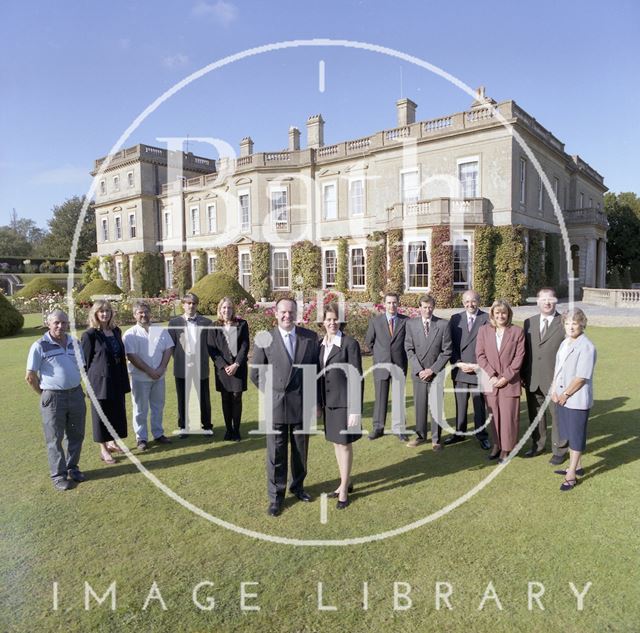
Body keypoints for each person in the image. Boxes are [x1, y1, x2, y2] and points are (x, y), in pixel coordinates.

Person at [250, 297, 320, 517]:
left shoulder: (310, 337)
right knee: (276, 452)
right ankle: (276, 497)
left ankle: (297, 487)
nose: (287, 316)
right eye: (283, 312)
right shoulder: (265, 338)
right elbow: (255, 373)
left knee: (300, 450)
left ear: (296, 313)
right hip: (277, 405)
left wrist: (316, 401)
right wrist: (272, 393)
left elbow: (316, 373)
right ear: (275, 313)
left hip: (302, 403)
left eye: (291, 312)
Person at [25, 309, 87, 490]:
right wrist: (45, 394)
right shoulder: (40, 345)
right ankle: (59, 476)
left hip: (76, 394)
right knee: (55, 438)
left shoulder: (74, 342)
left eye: (64, 323)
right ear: (49, 323)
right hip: (53, 397)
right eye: (56, 323)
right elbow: (30, 376)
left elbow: (80, 368)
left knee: (76, 435)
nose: (61, 326)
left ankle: (72, 468)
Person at [318, 303, 363, 509]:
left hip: (345, 403)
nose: (332, 322)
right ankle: (345, 481)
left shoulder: (349, 344)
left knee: (344, 445)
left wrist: (355, 409)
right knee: (336, 443)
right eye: (328, 319)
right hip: (328, 403)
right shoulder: (321, 344)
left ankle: (344, 488)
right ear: (323, 322)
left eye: (335, 319)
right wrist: (318, 404)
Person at [551, 308, 596, 491]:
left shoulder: (587, 346)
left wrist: (565, 395)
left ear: (582, 324)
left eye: (575, 323)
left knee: (576, 436)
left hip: (576, 398)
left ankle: (571, 474)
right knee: (569, 433)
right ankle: (576, 466)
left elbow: (581, 377)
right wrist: (554, 389)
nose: (571, 327)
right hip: (562, 396)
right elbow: (558, 369)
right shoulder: (565, 343)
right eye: (568, 323)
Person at [475, 299, 525, 463]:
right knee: (494, 416)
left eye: (504, 312)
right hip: (491, 381)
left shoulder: (517, 332)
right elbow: (480, 355)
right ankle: (497, 444)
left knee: (508, 418)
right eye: (497, 313)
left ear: (508, 314)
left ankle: (507, 448)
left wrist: (505, 378)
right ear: (492, 315)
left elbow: (519, 358)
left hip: (509, 383)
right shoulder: (484, 331)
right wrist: (492, 375)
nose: (501, 316)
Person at [522, 287, 568, 464]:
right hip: (532, 379)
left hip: (556, 380)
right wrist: (523, 375)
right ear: (537, 302)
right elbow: (525, 351)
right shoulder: (529, 323)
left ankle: (559, 450)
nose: (547, 302)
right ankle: (538, 445)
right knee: (536, 416)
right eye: (543, 299)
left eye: (551, 299)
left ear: (556, 301)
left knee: (557, 417)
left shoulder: (564, 322)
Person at [81, 300, 130, 464]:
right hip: (99, 382)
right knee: (101, 416)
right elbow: (86, 362)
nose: (104, 314)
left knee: (116, 412)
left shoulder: (116, 331)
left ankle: (113, 442)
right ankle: (103, 449)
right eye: (101, 311)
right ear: (95, 314)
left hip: (117, 378)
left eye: (107, 311)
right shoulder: (89, 335)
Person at [122, 301, 174, 451]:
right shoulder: (130, 334)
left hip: (159, 376)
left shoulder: (160, 330)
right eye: (140, 312)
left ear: (150, 313)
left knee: (158, 406)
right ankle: (141, 438)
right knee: (140, 409)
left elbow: (168, 349)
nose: (144, 315)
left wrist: (162, 368)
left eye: (146, 312)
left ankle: (158, 434)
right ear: (134, 315)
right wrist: (149, 371)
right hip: (140, 378)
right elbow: (131, 356)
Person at [404, 294, 452, 451]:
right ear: (419, 308)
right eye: (424, 307)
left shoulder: (443, 325)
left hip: (436, 373)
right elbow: (409, 349)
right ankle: (420, 436)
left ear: (434, 307)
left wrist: (432, 370)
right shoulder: (411, 324)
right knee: (420, 405)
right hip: (419, 373)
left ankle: (436, 439)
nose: (427, 310)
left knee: (436, 406)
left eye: (430, 307)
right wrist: (419, 370)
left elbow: (447, 351)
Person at [447, 289, 491, 450]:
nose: (470, 304)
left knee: (479, 405)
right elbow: (449, 344)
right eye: (466, 301)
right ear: (462, 302)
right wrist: (458, 363)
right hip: (460, 369)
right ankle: (459, 433)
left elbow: (490, 346)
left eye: (473, 301)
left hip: (478, 369)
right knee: (460, 403)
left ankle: (481, 435)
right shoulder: (455, 318)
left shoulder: (486, 318)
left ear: (478, 301)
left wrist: (478, 365)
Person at [364, 292, 409, 441]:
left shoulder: (405, 321)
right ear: (384, 304)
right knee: (380, 398)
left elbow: (408, 343)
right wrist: (380, 355)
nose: (392, 305)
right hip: (381, 365)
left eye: (394, 302)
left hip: (399, 365)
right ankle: (378, 428)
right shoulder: (375, 322)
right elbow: (369, 342)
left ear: (398, 304)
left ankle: (399, 428)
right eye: (389, 303)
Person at [168, 293, 213, 437]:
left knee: (204, 398)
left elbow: (211, 345)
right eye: (188, 303)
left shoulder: (206, 323)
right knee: (183, 399)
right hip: (182, 367)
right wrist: (182, 360)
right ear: (183, 305)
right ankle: (183, 427)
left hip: (201, 366)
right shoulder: (174, 323)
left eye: (194, 303)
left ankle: (206, 426)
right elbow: (171, 346)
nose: (191, 306)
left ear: (197, 305)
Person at [207, 297, 249, 441]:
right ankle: (228, 430)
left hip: (238, 368)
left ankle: (236, 430)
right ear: (220, 309)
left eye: (229, 307)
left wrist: (236, 364)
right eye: (224, 307)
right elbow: (212, 350)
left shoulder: (242, 324)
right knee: (225, 398)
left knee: (237, 397)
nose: (227, 310)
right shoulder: (213, 326)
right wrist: (225, 366)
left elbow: (245, 346)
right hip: (222, 370)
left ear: (233, 309)